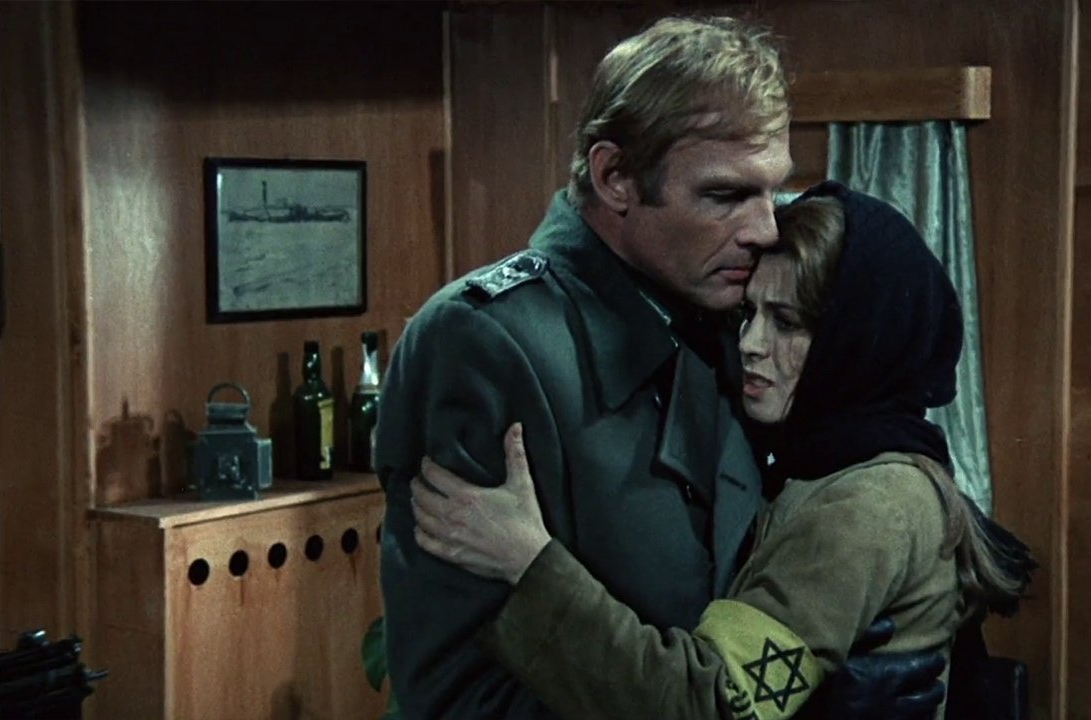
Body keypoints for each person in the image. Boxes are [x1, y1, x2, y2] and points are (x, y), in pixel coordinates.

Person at [375, 16, 945, 720]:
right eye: (725, 196)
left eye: (772, 191)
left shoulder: (728, 309)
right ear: (615, 177)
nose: (766, 228)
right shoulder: (486, 343)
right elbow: (455, 689)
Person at [411, 182, 1035, 720]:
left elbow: (710, 703)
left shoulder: (868, 502)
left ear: (857, 343)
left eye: (787, 323)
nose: (753, 344)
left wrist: (530, 564)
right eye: (750, 314)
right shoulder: (826, 463)